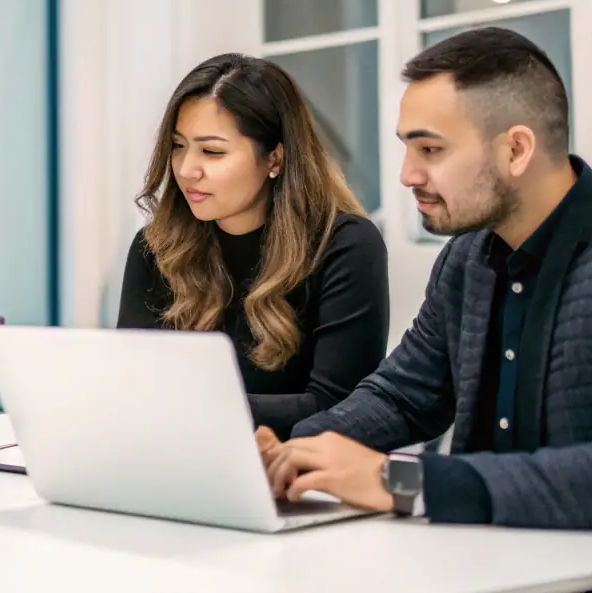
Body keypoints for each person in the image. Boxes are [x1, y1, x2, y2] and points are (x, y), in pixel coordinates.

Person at [258, 28, 592, 593]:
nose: (407, 174)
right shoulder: (468, 259)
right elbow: (404, 395)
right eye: (407, 148)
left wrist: (396, 482)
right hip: (510, 576)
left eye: (430, 150)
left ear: (516, 150)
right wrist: (293, 452)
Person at [118, 53, 389, 439]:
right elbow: (131, 388)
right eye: (178, 146)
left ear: (274, 157)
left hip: (296, 475)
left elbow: (341, 406)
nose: (186, 169)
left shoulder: (346, 246)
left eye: (212, 151)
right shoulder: (156, 247)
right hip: (175, 460)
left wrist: (189, 407)